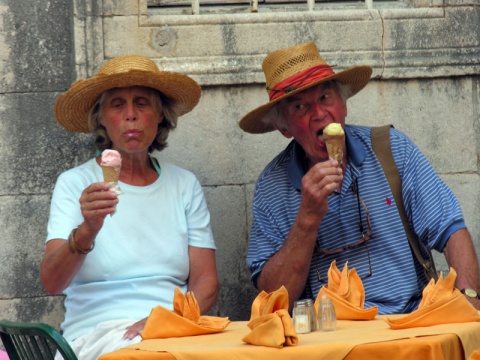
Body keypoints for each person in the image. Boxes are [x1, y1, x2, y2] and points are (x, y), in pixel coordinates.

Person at [239, 41, 480, 314]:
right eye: (299, 108)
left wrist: (468, 299)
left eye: (325, 98)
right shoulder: (272, 186)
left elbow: (450, 231)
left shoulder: (392, 150)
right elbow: (274, 299)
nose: (318, 114)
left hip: (408, 324)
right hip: (328, 338)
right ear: (284, 128)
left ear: (343, 105)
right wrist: (307, 218)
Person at [40, 55, 219, 359]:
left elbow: (206, 282)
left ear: (160, 115)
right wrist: (87, 230)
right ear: (101, 118)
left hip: (172, 329)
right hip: (97, 334)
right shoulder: (75, 183)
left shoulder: (184, 185)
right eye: (117, 104)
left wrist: (166, 320)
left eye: (142, 103)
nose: (131, 116)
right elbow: (52, 282)